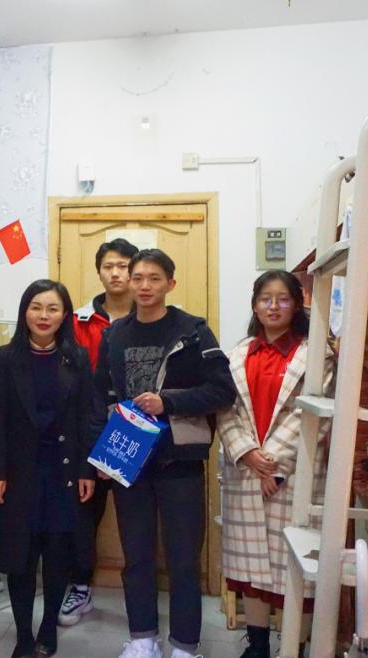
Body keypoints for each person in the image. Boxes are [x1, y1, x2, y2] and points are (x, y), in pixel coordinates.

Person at [93, 249, 236, 658]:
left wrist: (167, 402)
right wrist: (103, 455)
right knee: (136, 556)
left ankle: (185, 645)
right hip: (129, 461)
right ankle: (142, 639)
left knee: (183, 560)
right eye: (137, 277)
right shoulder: (115, 334)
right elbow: (100, 395)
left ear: (170, 283)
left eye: (154, 278)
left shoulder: (192, 331)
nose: (144, 286)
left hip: (180, 462)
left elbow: (222, 391)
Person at [216, 270, 331, 658]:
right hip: (246, 472)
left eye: (283, 299)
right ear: (255, 305)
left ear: (297, 305)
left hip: (296, 472)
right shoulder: (237, 355)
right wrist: (248, 454)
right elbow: (225, 410)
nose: (274, 306)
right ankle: (258, 645)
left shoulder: (317, 354)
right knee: (251, 566)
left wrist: (275, 467)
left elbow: (313, 414)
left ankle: (294, 645)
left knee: (295, 565)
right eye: (266, 299)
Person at [0, 280, 97, 658]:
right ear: (25, 312)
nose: (44, 315)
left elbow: (86, 418)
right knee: (21, 555)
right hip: (19, 474)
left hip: (63, 473)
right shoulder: (6, 357)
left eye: (52, 308)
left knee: (57, 553)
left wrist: (87, 470)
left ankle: (49, 627)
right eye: (36, 307)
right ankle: (22, 635)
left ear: (64, 315)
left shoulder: (76, 357)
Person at [60, 237, 139, 627]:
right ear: (99, 271)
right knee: (83, 513)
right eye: (109, 266)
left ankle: (141, 598)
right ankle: (80, 586)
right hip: (88, 431)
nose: (116, 273)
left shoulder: (150, 316)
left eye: (124, 265)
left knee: (138, 516)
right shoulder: (78, 321)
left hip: (136, 432)